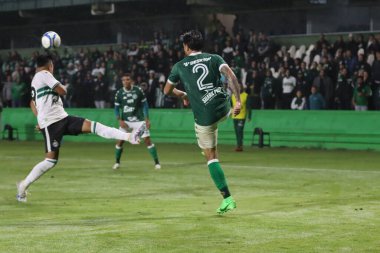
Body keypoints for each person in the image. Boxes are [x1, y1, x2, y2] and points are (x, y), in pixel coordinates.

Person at [16, 55, 143, 203]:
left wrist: (39, 118)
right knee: (50, 161)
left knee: (94, 126)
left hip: (62, 118)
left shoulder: (35, 80)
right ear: (50, 65)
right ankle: (23, 186)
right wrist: (64, 87)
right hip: (51, 124)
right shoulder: (44, 74)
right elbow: (62, 91)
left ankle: (129, 137)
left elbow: (32, 103)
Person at [163, 30, 241, 214]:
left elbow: (166, 91)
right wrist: (237, 101)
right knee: (211, 139)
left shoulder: (179, 66)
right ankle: (207, 146)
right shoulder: (214, 58)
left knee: (211, 157)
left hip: (205, 116)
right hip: (223, 109)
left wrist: (182, 94)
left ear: (186, 46)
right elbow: (232, 77)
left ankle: (227, 198)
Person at [113, 73, 161, 170]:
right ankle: (117, 162)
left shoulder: (138, 90)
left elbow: (145, 105)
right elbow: (116, 108)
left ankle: (157, 163)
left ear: (131, 81)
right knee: (120, 141)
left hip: (139, 121)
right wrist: (119, 120)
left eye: (127, 79)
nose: (125, 81)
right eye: (123, 80)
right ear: (122, 82)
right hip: (126, 122)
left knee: (147, 140)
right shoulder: (119, 93)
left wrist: (147, 119)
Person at [231, 84, 251, 151]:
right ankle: (239, 145)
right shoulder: (233, 95)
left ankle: (239, 146)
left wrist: (249, 116)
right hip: (234, 116)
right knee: (237, 131)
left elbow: (248, 107)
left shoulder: (245, 95)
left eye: (239, 87)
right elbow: (231, 106)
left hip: (242, 117)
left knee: (239, 130)